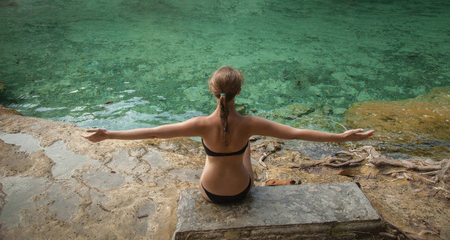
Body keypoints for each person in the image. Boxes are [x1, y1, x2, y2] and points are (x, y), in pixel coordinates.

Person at [82, 66, 374, 204]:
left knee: (215, 154)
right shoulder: (249, 123)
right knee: (244, 148)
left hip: (209, 193)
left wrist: (108, 134)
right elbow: (296, 133)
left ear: (212, 90)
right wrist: (343, 138)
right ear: (239, 92)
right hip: (241, 191)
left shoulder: (199, 124)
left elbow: (154, 132)